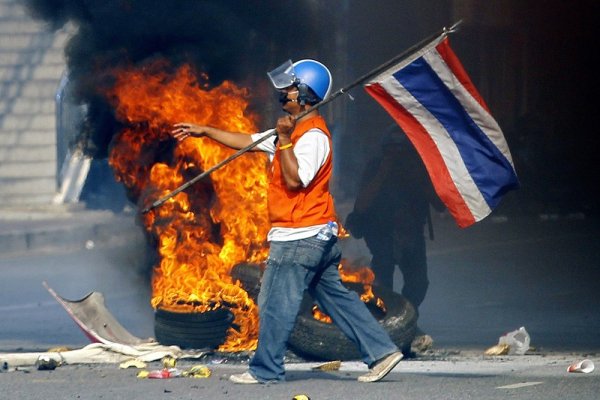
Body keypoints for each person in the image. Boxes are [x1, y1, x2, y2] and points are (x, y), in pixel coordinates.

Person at [171, 59, 403, 383]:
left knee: (275, 302)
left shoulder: (312, 138)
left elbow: (295, 180)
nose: (284, 93)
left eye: (291, 88)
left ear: (306, 94)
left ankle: (265, 369)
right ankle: (382, 351)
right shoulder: (292, 132)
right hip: (312, 236)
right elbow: (248, 141)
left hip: (300, 236)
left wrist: (285, 141)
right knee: (337, 300)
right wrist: (205, 130)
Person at [345, 125, 444, 350]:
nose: (398, 155)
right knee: (382, 286)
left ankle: (406, 320)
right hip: (382, 235)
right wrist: (383, 171)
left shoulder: (417, 169)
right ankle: (387, 328)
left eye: (402, 151)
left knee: (418, 283)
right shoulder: (376, 168)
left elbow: (439, 204)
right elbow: (361, 205)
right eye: (393, 150)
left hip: (411, 235)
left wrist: (418, 177)